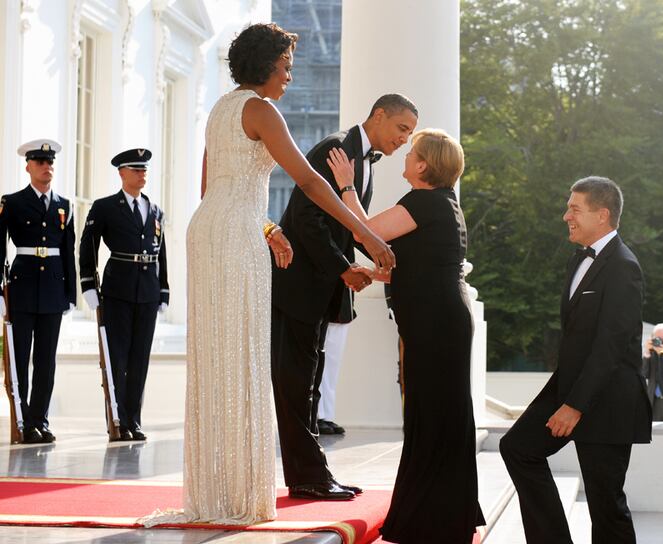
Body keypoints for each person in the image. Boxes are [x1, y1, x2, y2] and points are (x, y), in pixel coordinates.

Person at [141, 23, 394, 526]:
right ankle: (236, 491)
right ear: (265, 66)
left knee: (222, 356)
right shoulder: (260, 109)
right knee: (244, 357)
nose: (290, 77)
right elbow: (310, 181)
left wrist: (268, 228)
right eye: (286, 67)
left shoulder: (221, 108)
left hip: (210, 230)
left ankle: (218, 488)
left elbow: (212, 188)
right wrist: (367, 236)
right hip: (235, 236)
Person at [327, 128, 485, 542]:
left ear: (424, 165)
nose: (406, 155)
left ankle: (433, 516)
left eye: (412, 152)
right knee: (434, 413)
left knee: (432, 413)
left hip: (436, 322)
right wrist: (374, 273)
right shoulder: (441, 203)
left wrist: (346, 185)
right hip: (439, 319)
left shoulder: (424, 201)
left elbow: (364, 232)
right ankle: (440, 512)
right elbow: (416, 264)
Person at [272, 93, 417, 500]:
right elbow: (306, 219)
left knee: (310, 383)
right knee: (296, 384)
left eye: (410, 134)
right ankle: (308, 478)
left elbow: (346, 228)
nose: (404, 139)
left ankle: (315, 474)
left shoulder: (363, 161)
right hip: (299, 285)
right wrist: (343, 267)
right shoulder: (335, 150)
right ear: (378, 115)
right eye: (401, 128)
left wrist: (373, 263)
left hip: (322, 289)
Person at [498, 176, 652, 543]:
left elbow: (611, 346)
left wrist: (575, 406)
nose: (566, 215)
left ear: (602, 215)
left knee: (606, 504)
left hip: (608, 399)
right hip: (569, 387)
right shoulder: (578, 258)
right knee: (517, 448)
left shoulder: (624, 266)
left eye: (574, 209)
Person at [79, 148, 169, 442]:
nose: (142, 174)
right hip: (117, 289)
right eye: (136, 170)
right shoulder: (105, 207)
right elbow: (88, 246)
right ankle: (118, 420)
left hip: (147, 292)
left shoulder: (155, 210)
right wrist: (88, 284)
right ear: (122, 173)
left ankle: (134, 420)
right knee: (117, 358)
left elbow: (161, 253)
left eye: (144, 170)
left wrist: (164, 290)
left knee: (139, 359)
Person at [0, 139, 76, 444]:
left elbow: (68, 252)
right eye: (41, 162)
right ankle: (22, 421)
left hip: (53, 290)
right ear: (28, 167)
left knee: (46, 361)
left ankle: (40, 420)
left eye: (50, 162)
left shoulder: (64, 205)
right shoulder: (13, 202)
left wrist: (70, 293)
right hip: (22, 287)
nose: (47, 167)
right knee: (20, 359)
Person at [642, 323, 663, 421]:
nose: (660, 342)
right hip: (654, 400)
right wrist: (647, 353)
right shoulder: (651, 353)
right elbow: (644, 374)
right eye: (658, 339)